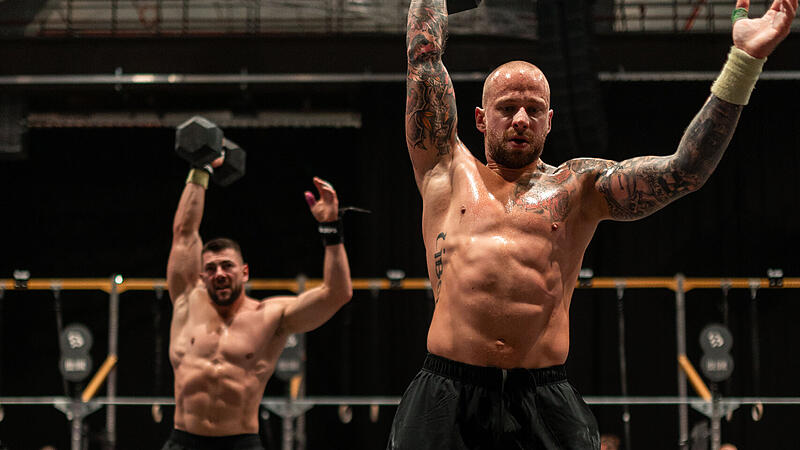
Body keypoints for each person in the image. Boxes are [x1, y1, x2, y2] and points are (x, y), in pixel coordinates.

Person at [389, 0, 796, 448]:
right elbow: (423, 57)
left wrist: (745, 60)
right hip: (445, 394)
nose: (521, 119)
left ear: (549, 122)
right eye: (507, 108)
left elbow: (684, 171)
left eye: (534, 109)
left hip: (541, 399)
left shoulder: (578, 187)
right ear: (482, 120)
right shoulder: (444, 169)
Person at [163, 160, 353, 449]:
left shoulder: (271, 316)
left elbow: (336, 293)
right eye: (211, 268)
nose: (220, 274)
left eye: (227, 266)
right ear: (201, 276)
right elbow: (184, 234)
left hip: (241, 442)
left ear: (244, 272)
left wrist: (330, 228)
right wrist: (200, 170)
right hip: (183, 440)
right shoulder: (186, 301)